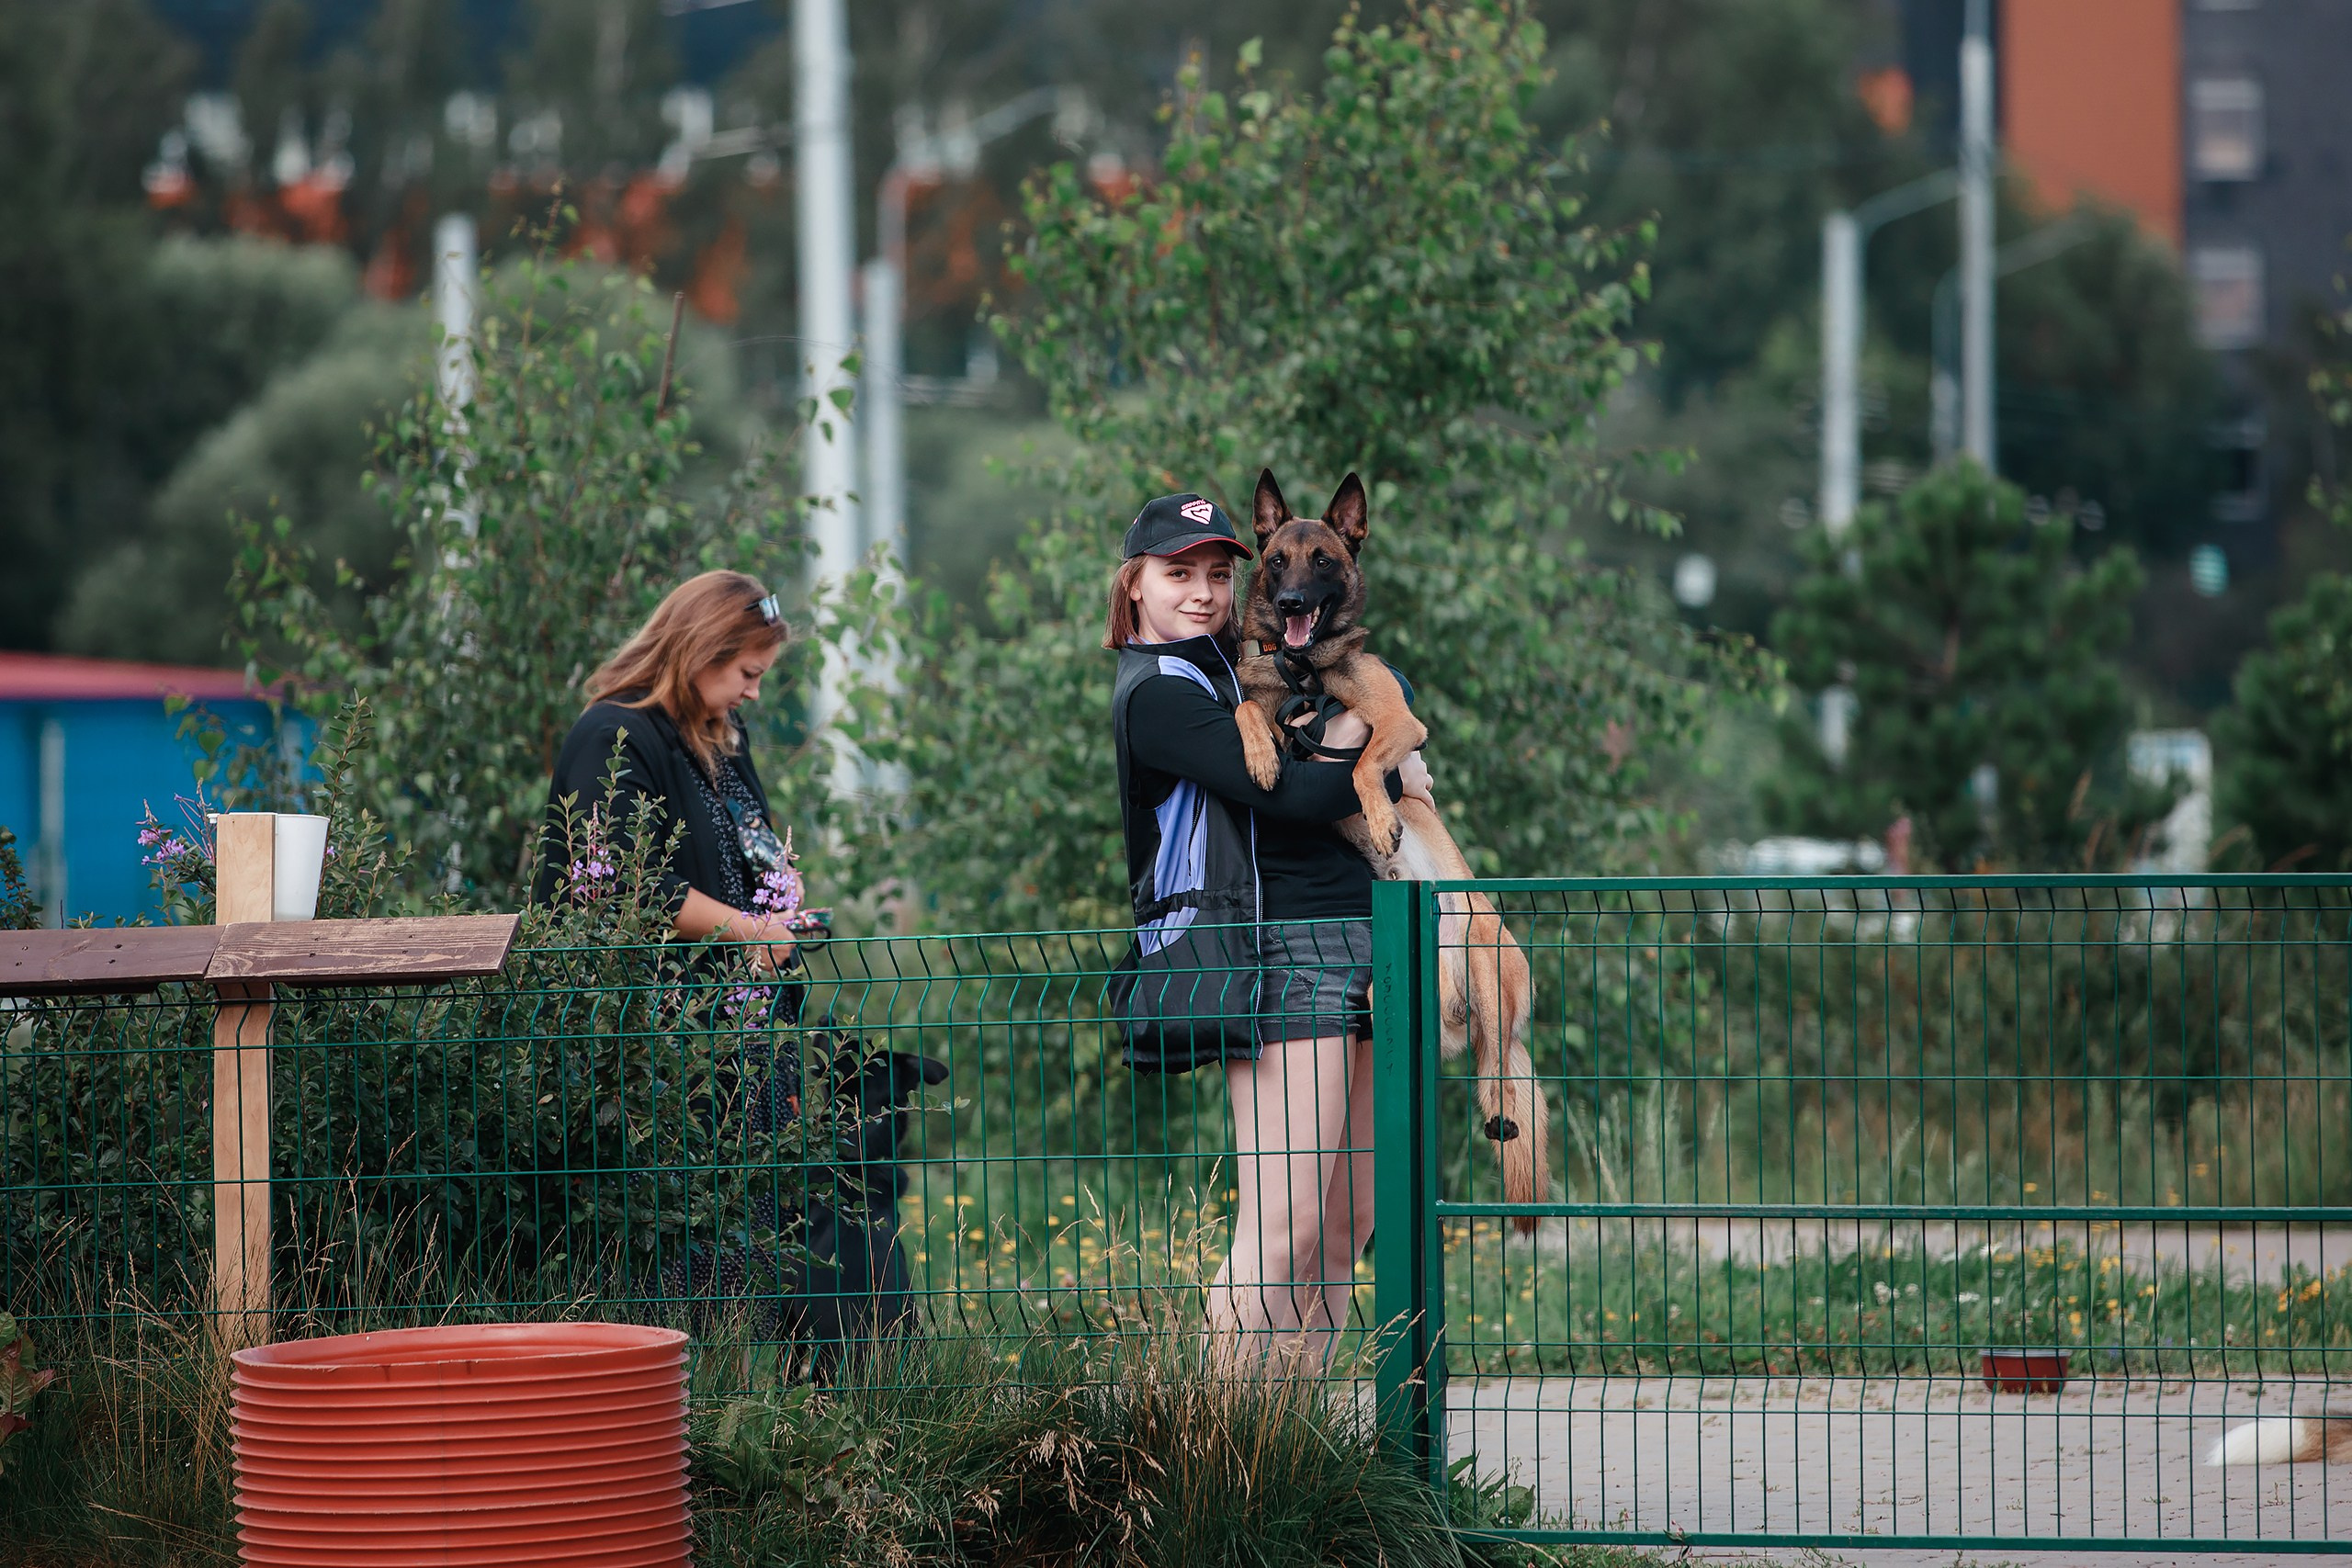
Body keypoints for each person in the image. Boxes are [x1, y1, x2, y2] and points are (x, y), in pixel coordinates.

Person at [1104, 492, 1434, 1372]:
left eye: (1219, 574)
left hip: (1373, 936)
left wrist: (1381, 724)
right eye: (1180, 575)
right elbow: (1295, 797)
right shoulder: (1158, 695)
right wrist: (1379, 728)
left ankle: (1295, 1445)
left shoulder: (1238, 670)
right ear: (1134, 586)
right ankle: (1217, 1455)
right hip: (1281, 953)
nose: (1206, 593)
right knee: (1281, 1224)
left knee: (1345, 1222)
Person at [533, 570, 816, 964]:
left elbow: (740, 844)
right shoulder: (610, 736)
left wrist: (781, 877)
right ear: (702, 652)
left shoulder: (723, 731)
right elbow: (623, 883)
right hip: (646, 1015)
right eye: (749, 674)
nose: (754, 692)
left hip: (733, 1014)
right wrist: (750, 931)